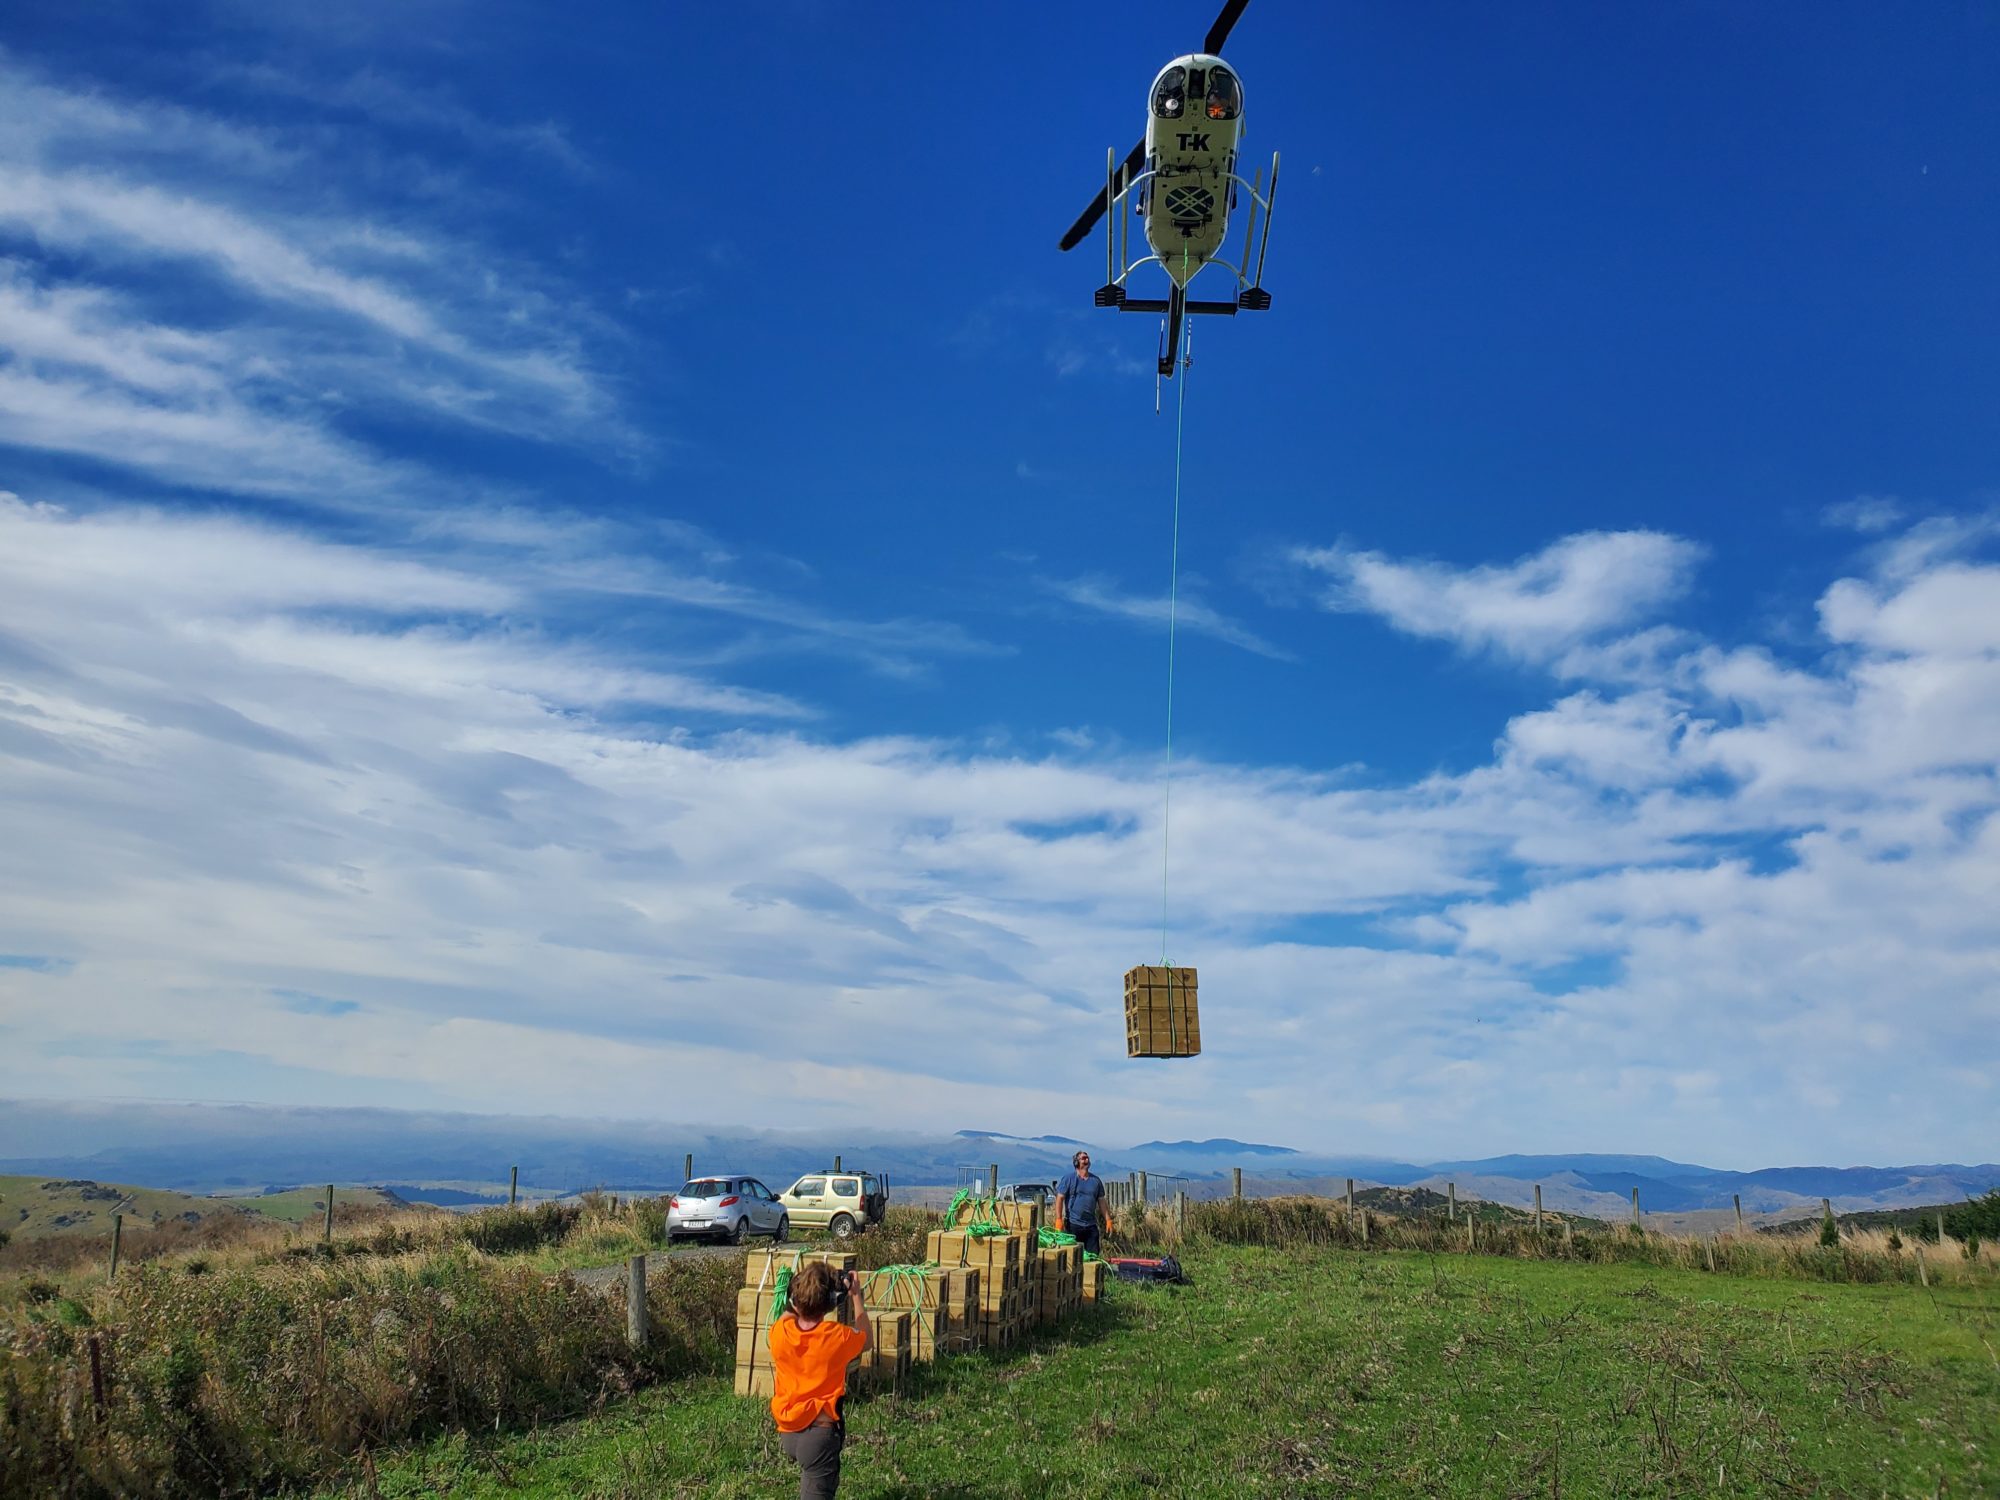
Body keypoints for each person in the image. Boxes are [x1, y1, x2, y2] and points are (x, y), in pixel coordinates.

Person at [768, 1262, 872, 1500]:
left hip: (789, 1430)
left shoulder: (779, 1332)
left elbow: (791, 1309)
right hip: (819, 1436)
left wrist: (802, 1290)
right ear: (831, 1302)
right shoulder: (836, 1337)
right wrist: (856, 1297)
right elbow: (866, 1340)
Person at [1052, 1149, 1110, 1254]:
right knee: (1073, 1257)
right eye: (1083, 1158)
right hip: (1073, 1224)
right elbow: (1060, 1198)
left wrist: (1108, 1220)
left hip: (1091, 1225)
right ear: (1076, 1162)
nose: (1086, 1160)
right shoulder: (1068, 1179)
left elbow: (1101, 1201)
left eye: (1087, 1158)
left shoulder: (1096, 1181)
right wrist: (1058, 1219)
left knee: (1093, 1257)